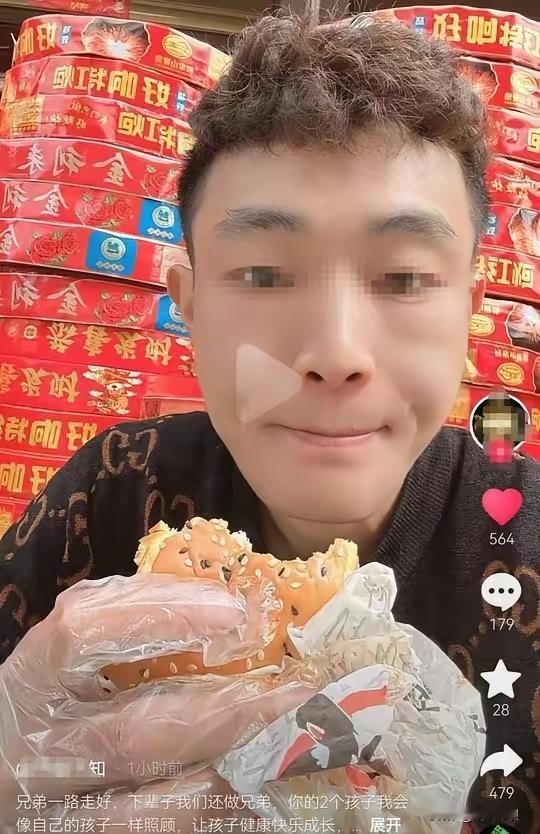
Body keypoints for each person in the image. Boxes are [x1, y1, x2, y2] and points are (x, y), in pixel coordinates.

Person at [0, 8, 538, 833]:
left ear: (469, 308)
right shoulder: (110, 495)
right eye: (262, 274)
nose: (336, 353)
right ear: (188, 308)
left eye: (403, 278)